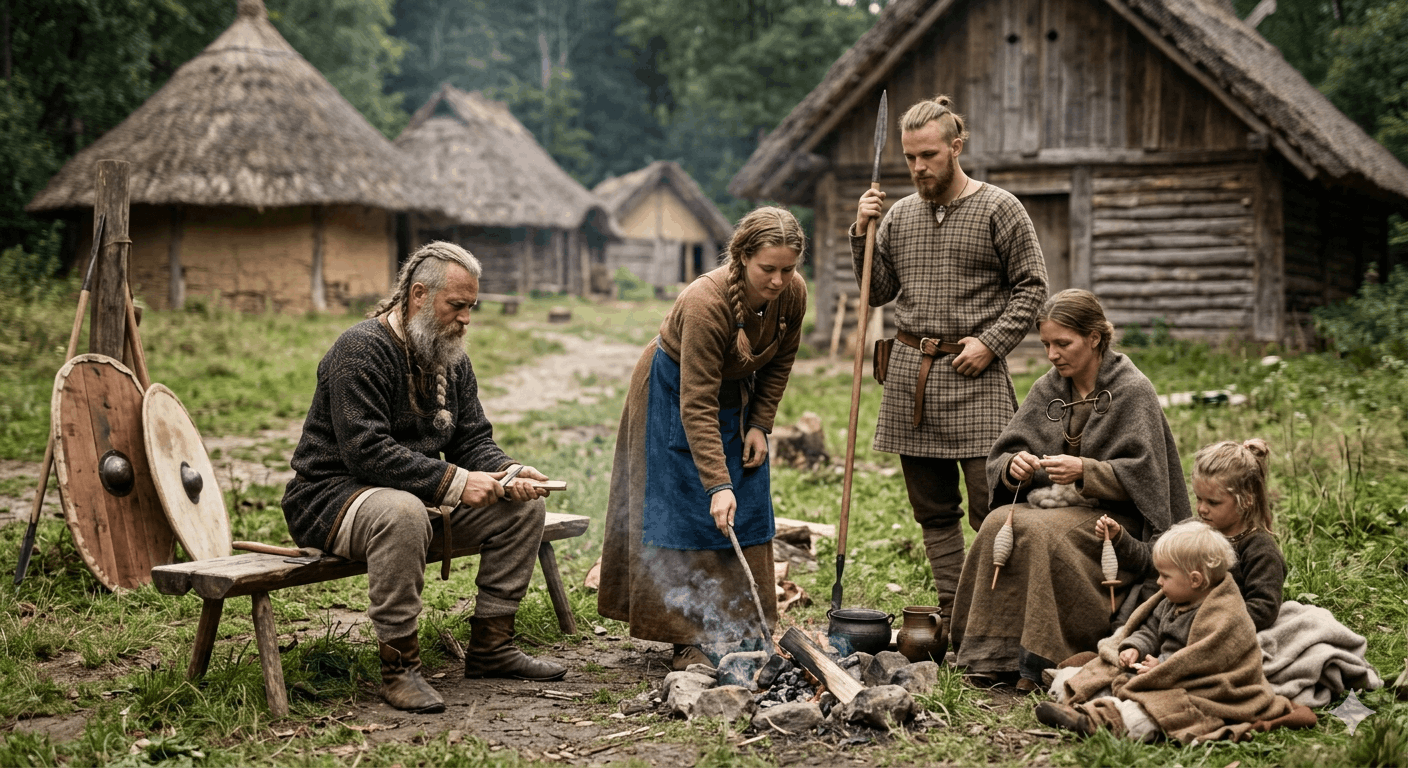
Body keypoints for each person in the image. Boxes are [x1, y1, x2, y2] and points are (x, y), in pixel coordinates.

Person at [282, 242, 567, 714]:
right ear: (418, 295)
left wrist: (508, 472)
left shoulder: (451, 359)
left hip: (413, 497)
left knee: (523, 508)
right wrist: (456, 483)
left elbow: (472, 441)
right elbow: (365, 452)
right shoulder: (360, 350)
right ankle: (400, 668)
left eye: (471, 307)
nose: (466, 319)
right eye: (456, 305)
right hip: (330, 499)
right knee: (403, 512)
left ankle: (492, 647)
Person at [851, 94, 1048, 621]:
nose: (918, 167)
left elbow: (1032, 287)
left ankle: (996, 614)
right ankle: (953, 610)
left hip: (975, 375)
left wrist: (992, 342)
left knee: (995, 503)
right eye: (910, 157)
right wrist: (862, 234)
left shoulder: (1000, 208)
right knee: (933, 509)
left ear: (956, 147)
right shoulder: (898, 215)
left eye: (929, 155)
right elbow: (878, 291)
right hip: (911, 376)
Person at [597, 207, 807, 671]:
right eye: (767, 269)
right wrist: (716, 483)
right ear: (742, 257)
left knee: (747, 501)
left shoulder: (792, 294)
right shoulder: (705, 303)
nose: (778, 280)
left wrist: (760, 424)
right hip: (673, 393)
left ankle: (741, 626)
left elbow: (780, 364)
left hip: (737, 397)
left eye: (788, 269)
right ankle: (685, 637)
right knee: (684, 507)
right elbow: (696, 403)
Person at [949, 289, 1192, 690]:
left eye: (1063, 343)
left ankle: (1041, 658)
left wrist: (1086, 470)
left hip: (1116, 519)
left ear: (1094, 337)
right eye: (1047, 344)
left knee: (1046, 534)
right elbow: (1006, 451)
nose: (1052, 354)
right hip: (1053, 504)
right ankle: (989, 653)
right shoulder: (1049, 388)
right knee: (996, 523)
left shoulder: (1132, 389)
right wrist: (1014, 466)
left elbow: (1148, 476)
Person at [1036, 520, 1313, 743]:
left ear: (1195, 579)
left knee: (1157, 710)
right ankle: (1080, 693)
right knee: (1105, 676)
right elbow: (1151, 629)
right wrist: (1135, 647)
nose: (1158, 582)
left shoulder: (1223, 613)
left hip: (1199, 689)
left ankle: (1099, 721)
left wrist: (1163, 666)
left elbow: (1204, 660)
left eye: (1165, 576)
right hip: (1161, 674)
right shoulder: (1173, 601)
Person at [1190, 439, 1285, 631]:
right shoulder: (1195, 533)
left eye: (1213, 502)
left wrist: (1215, 624)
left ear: (1246, 500)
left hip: (1230, 628)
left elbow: (1264, 609)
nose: (1201, 509)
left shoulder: (1260, 550)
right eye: (1199, 498)